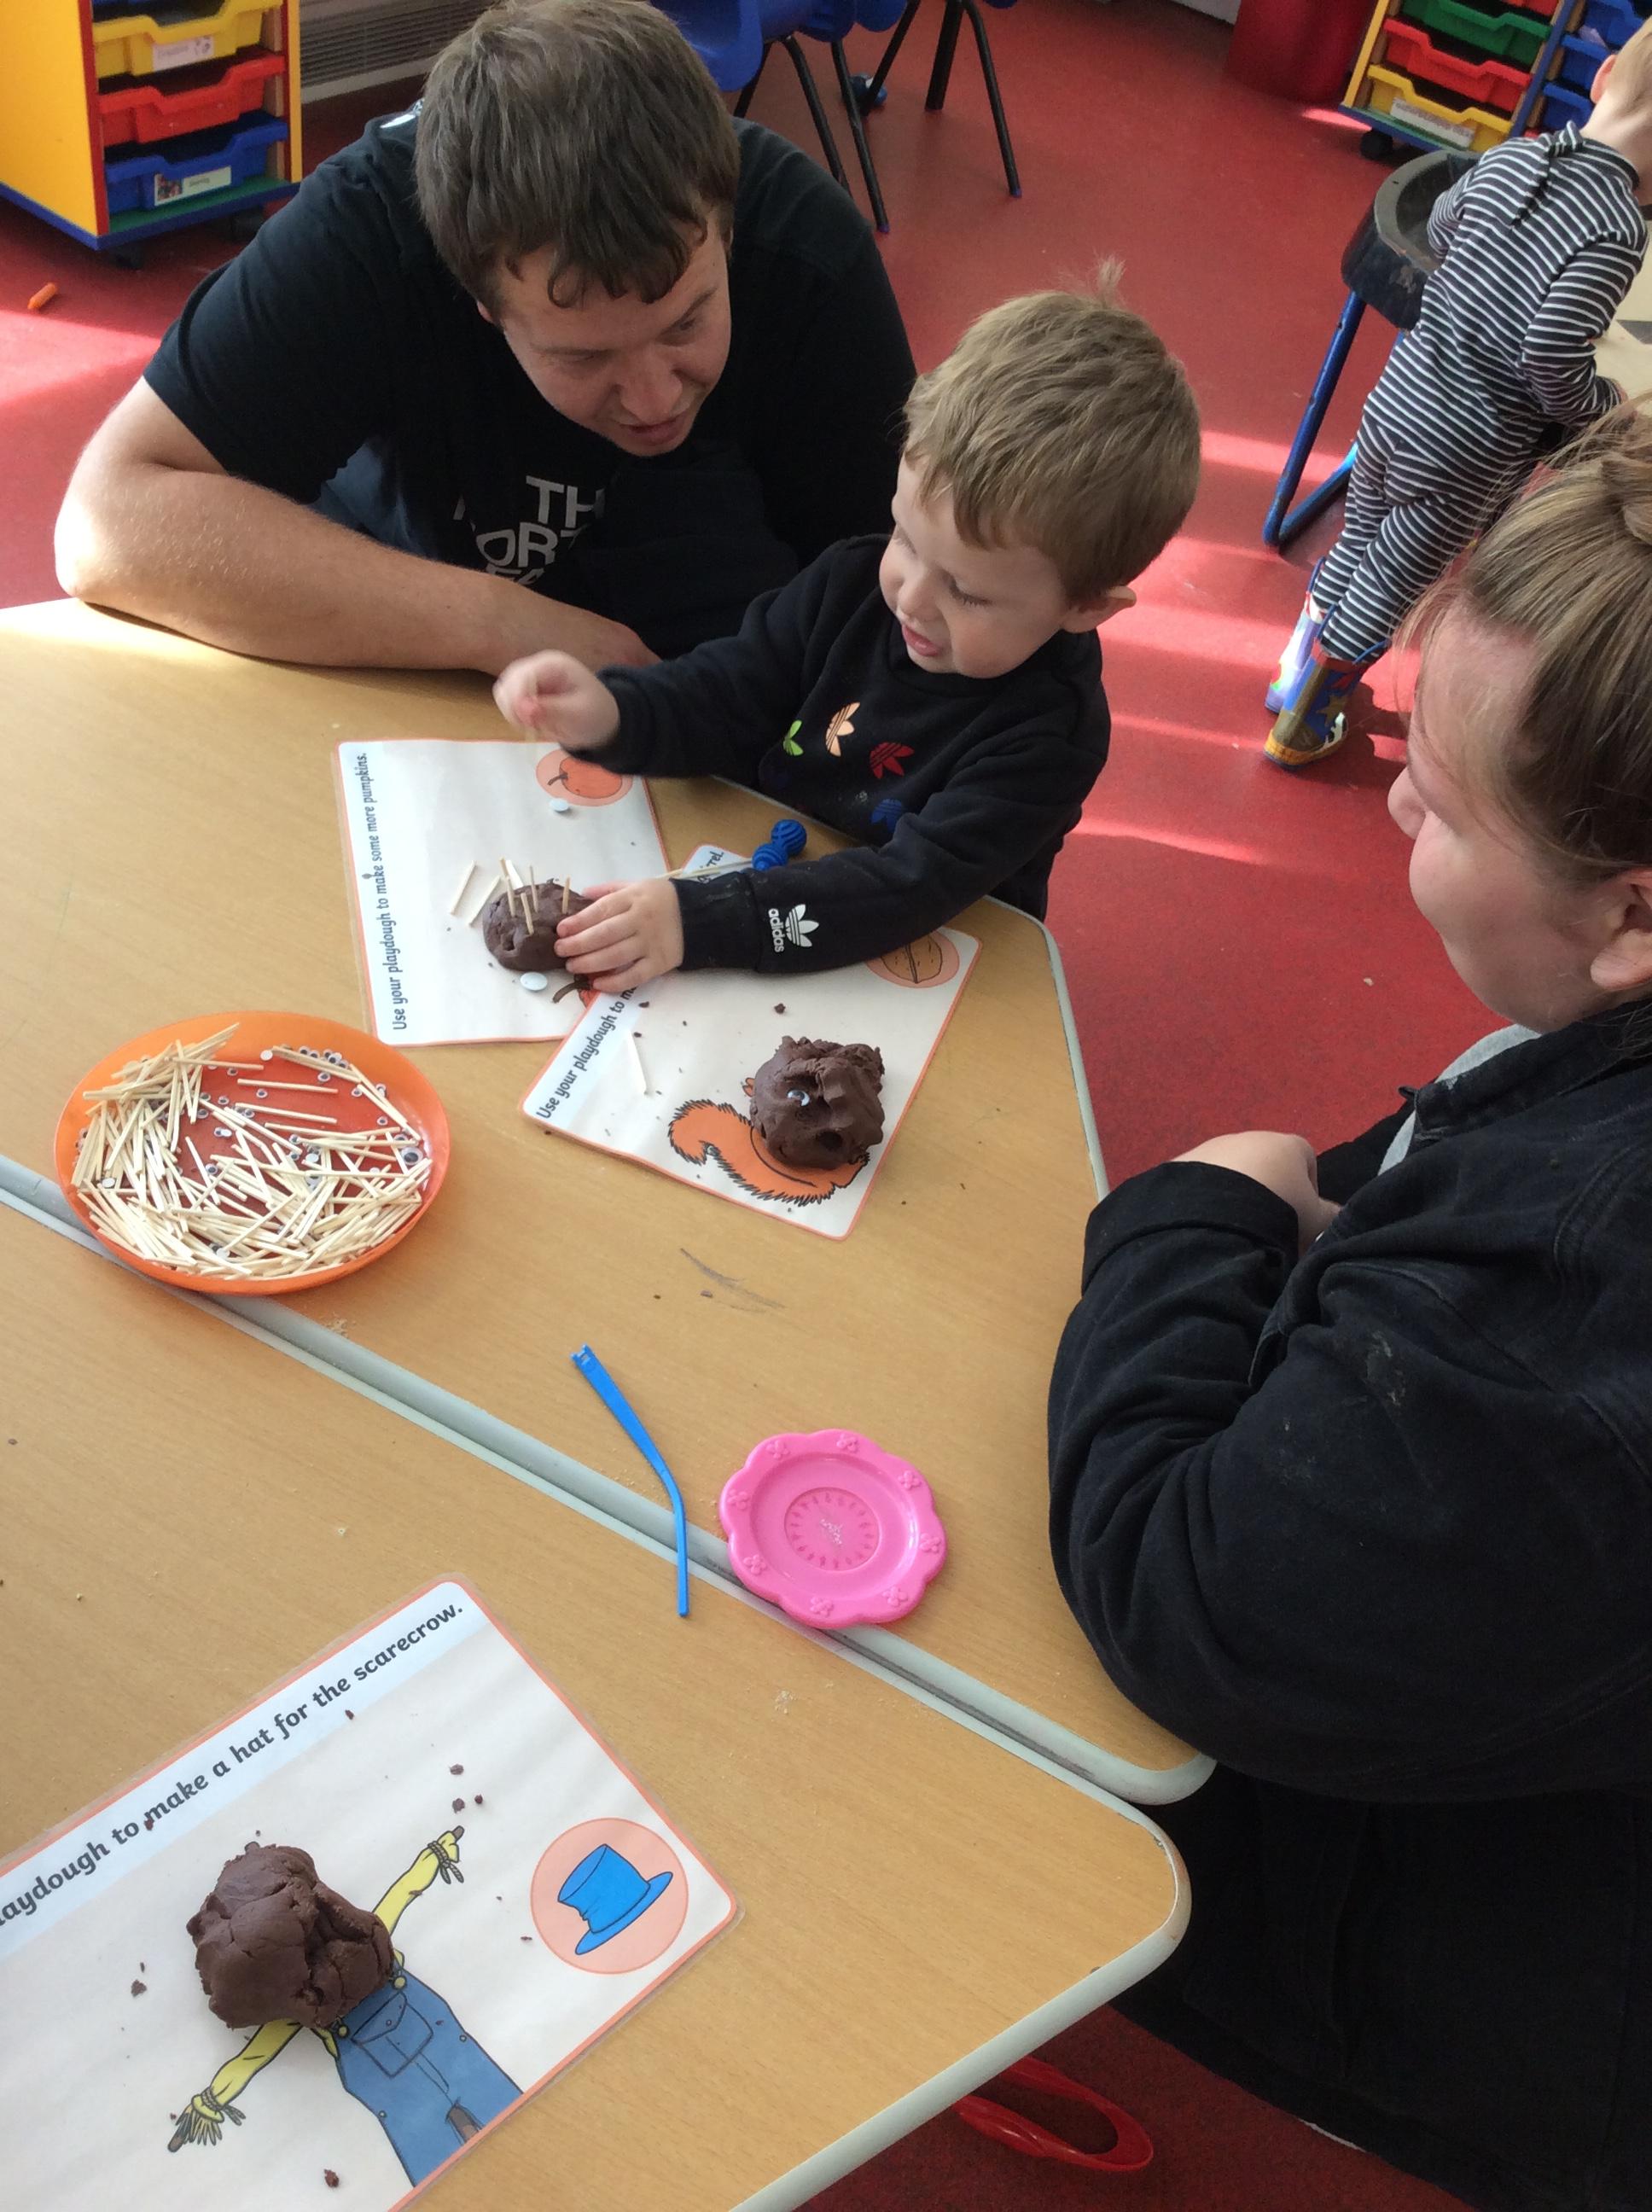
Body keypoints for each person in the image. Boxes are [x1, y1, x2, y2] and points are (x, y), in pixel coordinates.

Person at [1049, 409, 1652, 2212]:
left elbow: (1177, 1588)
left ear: (1630, 915)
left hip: (1489, 1979)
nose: (1389, 802)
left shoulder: (1559, 1318)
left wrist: (1198, 1205)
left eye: (1441, 802)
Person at [53, 0, 915, 676]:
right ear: (481, 301)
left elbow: (904, 604)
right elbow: (107, 524)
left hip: (721, 654)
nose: (654, 396)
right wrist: (499, 624)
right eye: (582, 355)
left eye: (686, 322)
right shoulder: (366, 233)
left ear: (727, 232)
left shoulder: (809, 251)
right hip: (416, 629)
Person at [491, 276, 1201, 990]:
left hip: (926, 963)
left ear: (1087, 607)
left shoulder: (1051, 735)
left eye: (967, 592)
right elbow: (728, 692)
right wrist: (613, 712)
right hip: (768, 873)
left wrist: (699, 921)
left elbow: (909, 887)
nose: (911, 599)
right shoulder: (851, 581)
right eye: (906, 539)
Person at [1264, 21, 1652, 769]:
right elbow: (1550, 354)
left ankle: (1293, 677)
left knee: (1358, 542)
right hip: (1465, 449)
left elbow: (1443, 228)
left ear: (1603, 77)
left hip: (1397, 402)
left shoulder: (1514, 156)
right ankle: (1305, 724)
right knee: (1394, 580)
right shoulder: (1615, 229)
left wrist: (1494, 279)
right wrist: (1603, 403)